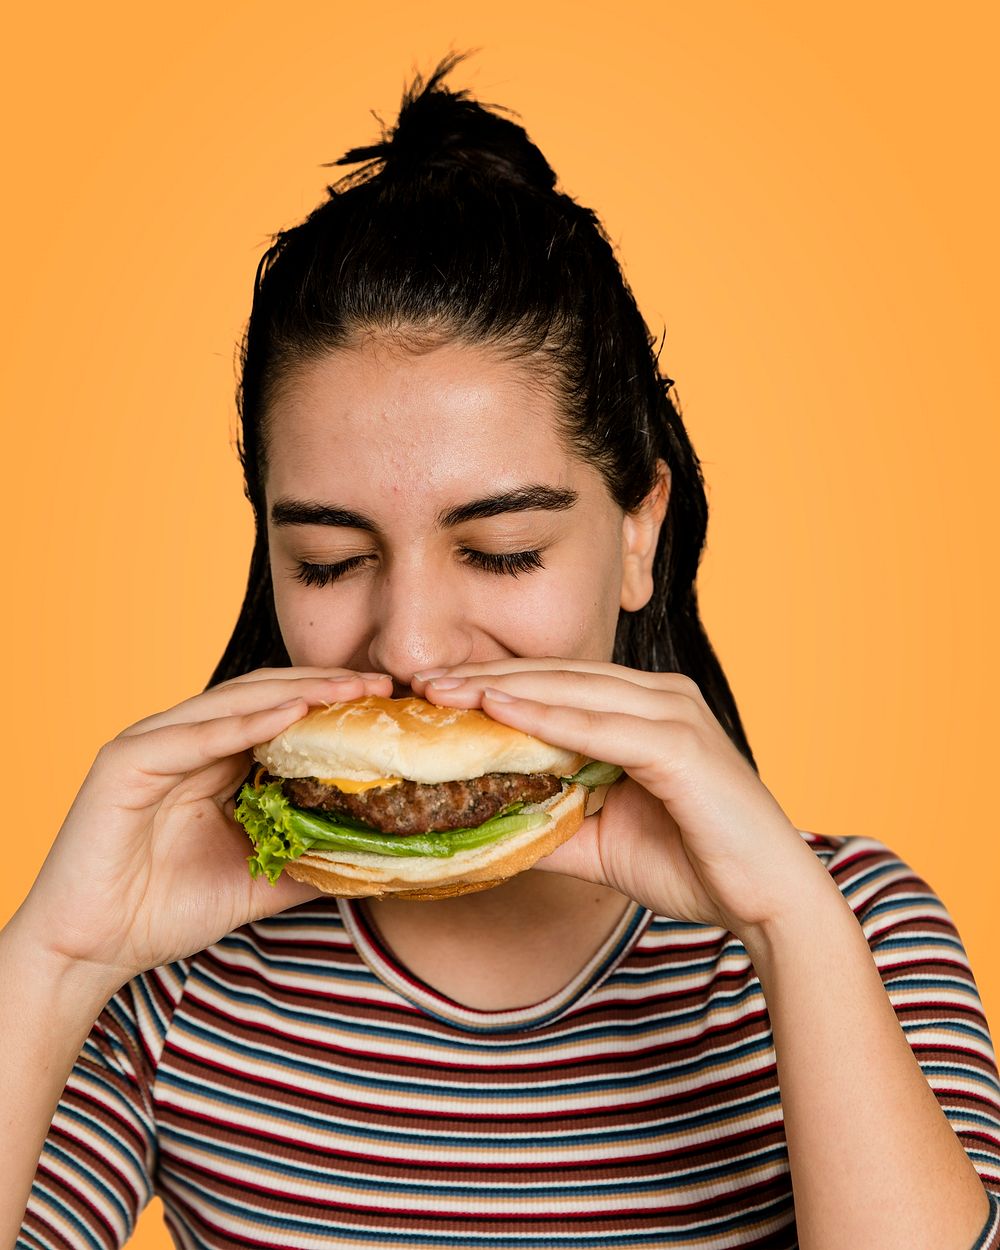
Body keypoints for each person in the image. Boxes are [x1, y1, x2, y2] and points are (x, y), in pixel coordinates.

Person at [4, 51, 1000, 1250]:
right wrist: (55, 959)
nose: (413, 646)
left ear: (639, 533)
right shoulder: (170, 972)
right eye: (327, 560)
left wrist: (793, 929)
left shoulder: (855, 930)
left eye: (505, 549)